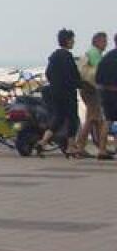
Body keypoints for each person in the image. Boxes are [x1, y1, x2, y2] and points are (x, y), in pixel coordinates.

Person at [40, 28, 83, 157]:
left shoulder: (54, 56)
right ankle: (70, 146)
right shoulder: (67, 56)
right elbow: (73, 76)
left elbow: (48, 73)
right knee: (73, 119)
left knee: (58, 118)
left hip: (55, 92)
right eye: (72, 40)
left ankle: (43, 141)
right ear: (68, 41)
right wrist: (79, 84)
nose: (74, 42)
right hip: (68, 93)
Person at [79, 31, 109, 157]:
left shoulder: (91, 52)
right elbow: (100, 71)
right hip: (90, 88)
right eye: (104, 41)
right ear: (97, 42)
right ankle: (80, 145)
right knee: (92, 118)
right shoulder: (95, 53)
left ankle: (99, 146)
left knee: (96, 118)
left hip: (85, 87)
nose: (106, 44)